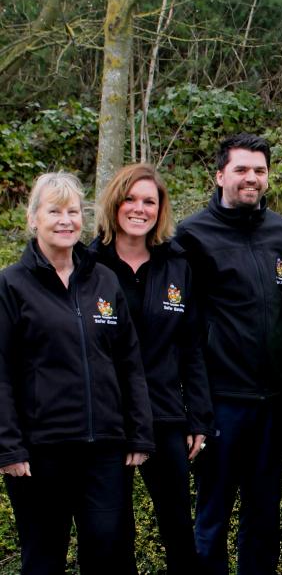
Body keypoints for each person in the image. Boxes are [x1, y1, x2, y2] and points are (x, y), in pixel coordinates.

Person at [0, 172, 154, 574]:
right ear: (34, 219)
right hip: (40, 453)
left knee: (109, 554)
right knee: (43, 557)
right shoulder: (11, 286)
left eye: (72, 211)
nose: (65, 220)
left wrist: (139, 432)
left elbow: (129, 363)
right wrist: (9, 447)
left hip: (105, 450)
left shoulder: (103, 280)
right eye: (54, 211)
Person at [175, 134, 282, 574]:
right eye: (242, 169)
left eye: (259, 170)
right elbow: (182, 328)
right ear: (220, 174)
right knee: (211, 519)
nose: (252, 178)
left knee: (263, 518)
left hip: (275, 402)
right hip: (223, 404)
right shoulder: (191, 236)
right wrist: (196, 410)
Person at [90, 163, 214, 574]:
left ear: (160, 210)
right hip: (108, 417)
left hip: (164, 414)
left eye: (150, 201)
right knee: (112, 532)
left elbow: (192, 346)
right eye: (131, 199)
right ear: (115, 203)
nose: (139, 209)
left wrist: (198, 415)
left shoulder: (177, 264)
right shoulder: (87, 264)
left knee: (178, 527)